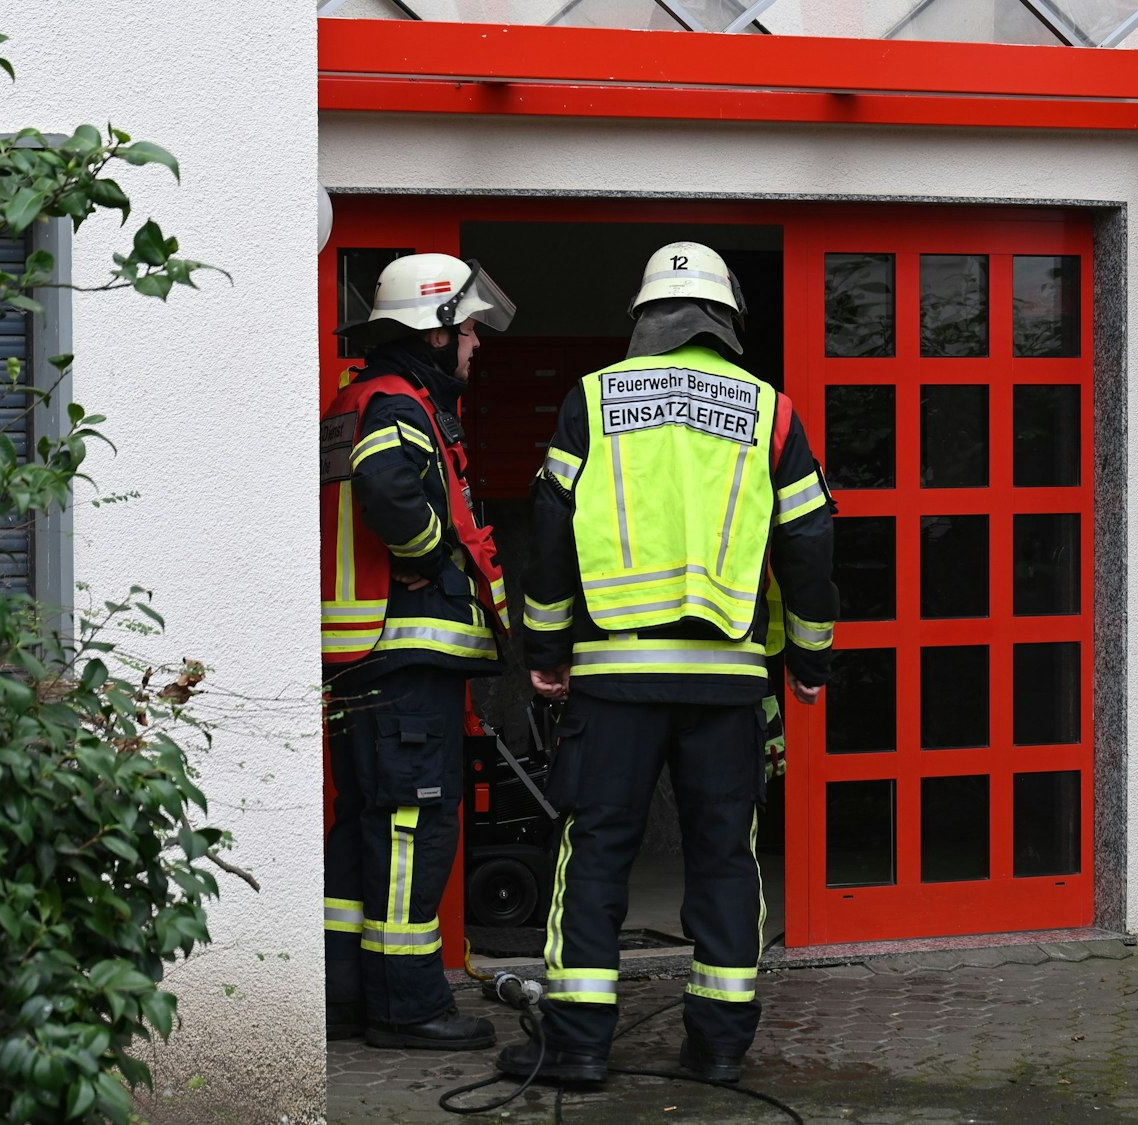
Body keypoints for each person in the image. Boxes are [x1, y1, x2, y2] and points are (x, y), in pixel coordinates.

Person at [502, 242, 837, 1085]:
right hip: (726, 680)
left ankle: (577, 1043)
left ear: (644, 319)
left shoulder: (593, 397)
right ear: (726, 319)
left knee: (597, 848)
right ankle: (721, 1045)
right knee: (727, 852)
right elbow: (811, 539)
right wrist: (809, 659)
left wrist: (543, 651)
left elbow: (549, 530)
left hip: (614, 674)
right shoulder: (772, 410)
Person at [320, 252, 516, 1050]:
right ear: (434, 333)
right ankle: (407, 1006)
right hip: (404, 656)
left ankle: (343, 997)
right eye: (467, 328)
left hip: (367, 657)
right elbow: (390, 492)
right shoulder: (396, 403)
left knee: (364, 829)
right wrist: (432, 554)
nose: (476, 343)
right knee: (412, 827)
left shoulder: (357, 398)